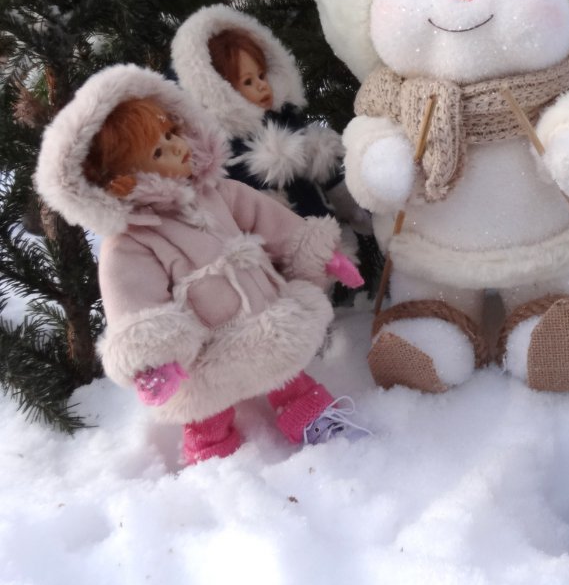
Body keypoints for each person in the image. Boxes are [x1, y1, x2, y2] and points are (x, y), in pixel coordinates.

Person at [35, 65, 367, 465]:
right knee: (206, 403)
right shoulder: (131, 241)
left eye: (172, 135)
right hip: (204, 345)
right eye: (158, 152)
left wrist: (318, 251)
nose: (177, 149)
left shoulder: (218, 192)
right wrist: (154, 359)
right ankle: (213, 456)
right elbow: (134, 300)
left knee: (288, 369)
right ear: (119, 181)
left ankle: (313, 417)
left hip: (262, 310)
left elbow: (269, 220)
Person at [171, 4, 369, 231]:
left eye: (261, 75)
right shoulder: (226, 154)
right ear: (221, 91)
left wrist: (352, 209)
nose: (262, 86)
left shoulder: (285, 120)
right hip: (278, 247)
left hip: (326, 228)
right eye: (247, 82)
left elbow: (329, 176)